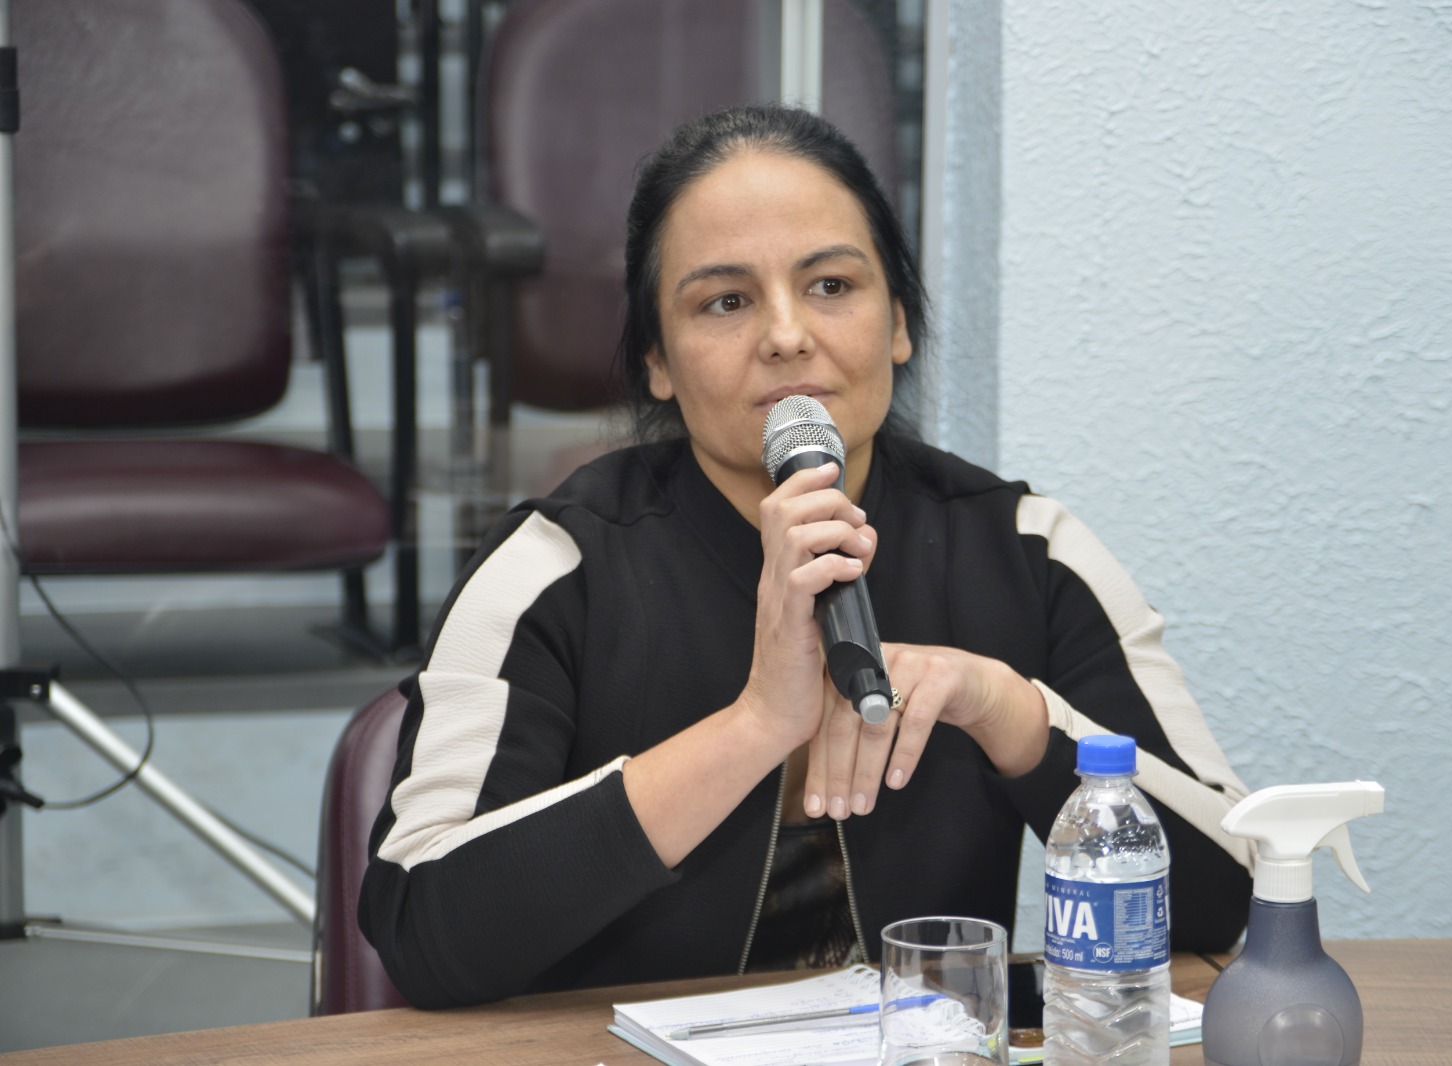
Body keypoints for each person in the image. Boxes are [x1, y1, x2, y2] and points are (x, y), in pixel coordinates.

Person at [359, 104, 1253, 1010]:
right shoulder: (553, 565)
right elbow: (423, 932)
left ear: (898, 323)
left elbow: (1225, 892)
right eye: (726, 301)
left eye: (830, 285)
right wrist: (755, 726)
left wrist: (1008, 710)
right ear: (657, 360)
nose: (786, 335)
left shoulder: (1027, 549)